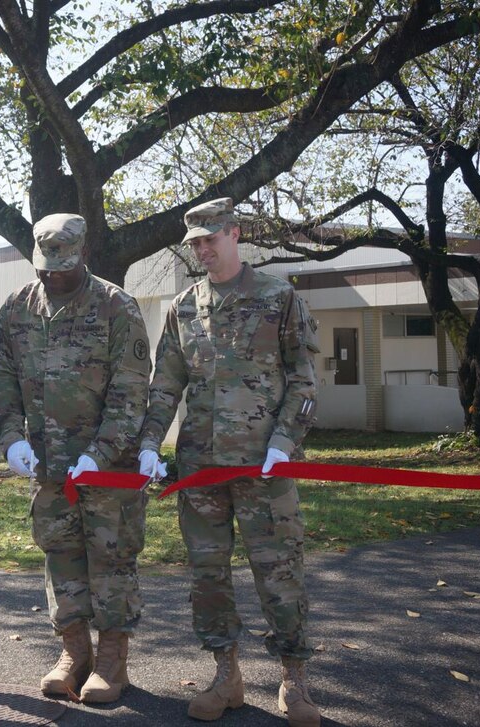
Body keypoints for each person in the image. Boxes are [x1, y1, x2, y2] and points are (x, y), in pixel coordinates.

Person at [138, 198, 320, 726]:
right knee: (208, 577)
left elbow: (305, 379)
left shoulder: (277, 296)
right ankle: (226, 674)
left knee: (280, 573)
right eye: (195, 241)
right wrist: (152, 442)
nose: (203, 248)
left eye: (211, 237)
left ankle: (295, 680)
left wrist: (285, 441)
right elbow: (166, 383)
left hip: (266, 467)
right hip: (201, 468)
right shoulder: (184, 307)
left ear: (234, 233)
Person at [0, 213, 151, 704]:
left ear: (82, 254)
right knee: (61, 558)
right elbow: (0, 378)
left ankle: (111, 662)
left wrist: (100, 453)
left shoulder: (116, 306)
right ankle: (73, 653)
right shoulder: (18, 308)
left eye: (61, 264)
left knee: (112, 560)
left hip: (110, 467)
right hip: (49, 467)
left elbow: (131, 391)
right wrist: (10, 437)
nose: (51, 274)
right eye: (44, 265)